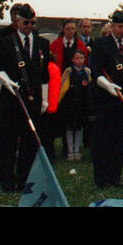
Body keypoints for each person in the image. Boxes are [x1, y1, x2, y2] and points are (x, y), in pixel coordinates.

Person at [0, 3, 52, 193]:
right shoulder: (6, 42)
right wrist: (6, 81)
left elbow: (44, 75)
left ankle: (24, 180)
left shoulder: (42, 43)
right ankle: (7, 183)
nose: (29, 27)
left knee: (29, 143)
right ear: (17, 22)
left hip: (33, 100)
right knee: (8, 143)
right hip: (11, 100)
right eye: (26, 23)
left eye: (32, 23)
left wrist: (45, 98)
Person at [88, 10, 123, 188]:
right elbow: (95, 71)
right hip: (105, 100)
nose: (122, 30)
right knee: (103, 140)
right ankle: (101, 179)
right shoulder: (101, 44)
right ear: (112, 26)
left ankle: (115, 177)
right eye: (119, 27)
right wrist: (107, 86)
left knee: (118, 141)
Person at [50, 19, 87, 160]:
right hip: (59, 86)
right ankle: (64, 148)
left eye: (73, 29)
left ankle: (72, 149)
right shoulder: (55, 45)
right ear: (63, 29)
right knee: (61, 119)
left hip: (76, 90)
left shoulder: (80, 45)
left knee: (75, 121)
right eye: (68, 29)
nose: (71, 31)